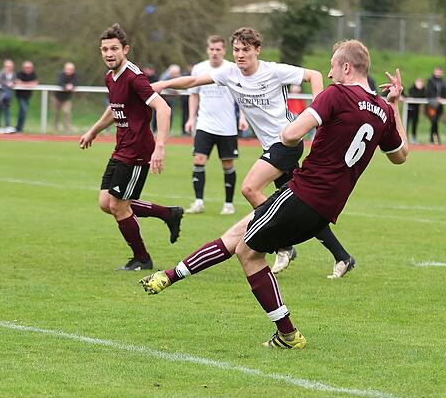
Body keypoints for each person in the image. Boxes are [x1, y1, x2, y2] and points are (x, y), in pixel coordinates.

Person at [141, 40, 407, 349]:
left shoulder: (336, 95)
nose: (330, 73)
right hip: (327, 206)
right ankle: (169, 276)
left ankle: (288, 334)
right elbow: (400, 155)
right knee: (238, 234)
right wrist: (396, 104)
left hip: (303, 193)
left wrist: (296, 136)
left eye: (333, 66)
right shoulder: (383, 110)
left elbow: (290, 134)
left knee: (247, 251)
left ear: (346, 67)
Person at [153, 27, 354, 278]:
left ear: (257, 50)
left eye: (245, 50)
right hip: (271, 147)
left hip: (287, 143)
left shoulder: (273, 71)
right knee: (302, 207)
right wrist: (163, 84)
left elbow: (313, 75)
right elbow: (194, 81)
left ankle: (284, 244)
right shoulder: (229, 73)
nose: (240, 55)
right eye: (236, 50)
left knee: (250, 188)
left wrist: (318, 110)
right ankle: (342, 256)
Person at [79, 23, 184, 271]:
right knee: (106, 202)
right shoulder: (110, 77)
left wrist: (160, 147)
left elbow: (163, 108)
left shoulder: (135, 78)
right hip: (121, 147)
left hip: (138, 151)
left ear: (125, 49)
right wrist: (94, 130)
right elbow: (115, 109)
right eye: (104, 49)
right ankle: (168, 214)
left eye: (114, 48)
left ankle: (142, 259)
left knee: (118, 205)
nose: (108, 53)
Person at [184, 35, 247, 216]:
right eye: (212, 49)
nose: (215, 52)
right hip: (205, 124)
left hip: (227, 126)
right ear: (207, 49)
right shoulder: (199, 69)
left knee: (227, 164)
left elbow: (241, 95)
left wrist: (242, 117)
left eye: (218, 49)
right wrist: (191, 119)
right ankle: (198, 202)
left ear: (224, 51)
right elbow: (193, 94)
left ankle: (228, 204)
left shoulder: (232, 69)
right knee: (199, 160)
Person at [14, 60, 38, 133]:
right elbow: (17, 82)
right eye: (27, 68)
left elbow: (35, 83)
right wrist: (28, 84)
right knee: (23, 111)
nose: (28, 69)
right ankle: (19, 128)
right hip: (20, 96)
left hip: (27, 96)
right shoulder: (19, 73)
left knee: (23, 112)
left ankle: (18, 127)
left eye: (30, 68)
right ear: (23, 68)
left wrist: (24, 84)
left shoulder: (33, 74)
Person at [53, 62, 77, 133]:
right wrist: (66, 86)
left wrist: (72, 85)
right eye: (68, 69)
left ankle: (67, 128)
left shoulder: (75, 75)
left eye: (71, 69)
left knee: (67, 112)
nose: (69, 71)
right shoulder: (61, 75)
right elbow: (59, 82)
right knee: (56, 113)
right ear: (65, 69)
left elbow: (76, 82)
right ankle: (55, 128)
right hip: (57, 97)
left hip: (67, 99)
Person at [0, 59, 16, 133]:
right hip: (0, 95)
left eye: (10, 66)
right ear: (4, 66)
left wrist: (13, 83)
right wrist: (7, 83)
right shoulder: (1, 72)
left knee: (7, 110)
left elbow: (15, 81)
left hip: (8, 95)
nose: (9, 68)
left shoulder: (13, 74)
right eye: (7, 66)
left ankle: (8, 126)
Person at [425, 67, 445, 145]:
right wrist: (435, 98)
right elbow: (428, 92)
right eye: (437, 71)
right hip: (432, 105)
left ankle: (435, 139)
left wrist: (441, 98)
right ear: (434, 72)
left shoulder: (443, 82)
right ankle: (433, 139)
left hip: (440, 105)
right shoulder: (430, 81)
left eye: (439, 72)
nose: (438, 73)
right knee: (433, 121)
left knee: (436, 121)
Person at [406, 78, 425, 144]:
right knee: (406, 123)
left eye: (421, 83)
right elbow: (413, 95)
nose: (419, 85)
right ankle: (405, 137)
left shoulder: (424, 90)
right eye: (418, 83)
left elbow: (424, 96)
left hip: (416, 109)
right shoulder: (412, 89)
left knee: (415, 123)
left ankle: (413, 137)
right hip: (409, 108)